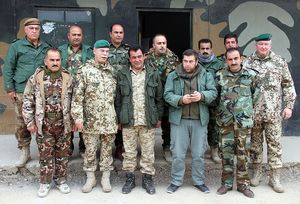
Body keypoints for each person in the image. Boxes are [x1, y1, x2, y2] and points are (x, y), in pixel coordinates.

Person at [243, 33, 296, 193]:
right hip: (255, 113)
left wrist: (289, 106)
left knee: (275, 146)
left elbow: (288, 85)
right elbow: (244, 87)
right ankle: (257, 173)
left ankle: (275, 178)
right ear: (256, 46)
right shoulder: (248, 62)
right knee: (255, 146)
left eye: (266, 44)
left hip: (273, 114)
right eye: (260, 44)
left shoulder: (279, 62)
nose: (263, 47)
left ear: (270, 45)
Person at [164, 49, 217, 194]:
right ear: (182, 61)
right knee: (178, 154)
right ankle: (175, 181)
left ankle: (199, 181)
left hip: (199, 120)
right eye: (185, 61)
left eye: (191, 61)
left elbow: (213, 92)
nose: (187, 64)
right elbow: (167, 95)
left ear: (196, 61)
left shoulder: (205, 75)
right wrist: (180, 99)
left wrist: (202, 96)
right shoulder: (173, 75)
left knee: (199, 154)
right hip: (179, 120)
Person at [22, 48, 73, 198]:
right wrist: (30, 121)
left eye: (58, 60)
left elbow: (76, 100)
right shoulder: (36, 78)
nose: (55, 63)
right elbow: (27, 100)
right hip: (44, 125)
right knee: (45, 156)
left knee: (62, 155)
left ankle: (61, 180)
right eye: (52, 60)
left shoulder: (68, 77)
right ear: (45, 61)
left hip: (63, 125)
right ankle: (44, 183)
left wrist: (75, 119)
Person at [115, 46, 164, 195]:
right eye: (134, 57)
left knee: (148, 153)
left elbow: (159, 99)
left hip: (147, 120)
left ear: (144, 57)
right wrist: (119, 118)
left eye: (139, 56)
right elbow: (118, 99)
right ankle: (129, 179)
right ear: (130, 59)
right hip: (128, 120)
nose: (137, 60)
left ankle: (147, 179)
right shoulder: (122, 74)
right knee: (129, 153)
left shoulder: (153, 74)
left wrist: (159, 118)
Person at [3, 17, 50, 167]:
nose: (34, 31)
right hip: (22, 90)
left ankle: (43, 151)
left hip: (41, 92)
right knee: (22, 123)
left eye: (37, 28)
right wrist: (10, 89)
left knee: (42, 122)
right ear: (26, 30)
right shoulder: (17, 46)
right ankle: (24, 151)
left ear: (40, 30)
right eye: (31, 29)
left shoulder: (46, 47)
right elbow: (8, 68)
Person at [71, 40, 117, 193]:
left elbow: (116, 97)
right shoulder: (84, 70)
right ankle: (90, 178)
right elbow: (77, 97)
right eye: (102, 51)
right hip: (91, 120)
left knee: (107, 150)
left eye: (107, 51)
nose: (105, 54)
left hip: (109, 119)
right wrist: (77, 117)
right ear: (94, 51)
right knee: (90, 150)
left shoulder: (112, 71)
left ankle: (105, 178)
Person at [215, 48, 259, 198]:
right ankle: (226, 184)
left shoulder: (251, 75)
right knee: (226, 154)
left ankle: (243, 185)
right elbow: (215, 98)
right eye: (230, 59)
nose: (233, 62)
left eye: (236, 58)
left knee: (243, 155)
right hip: (225, 122)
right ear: (226, 60)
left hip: (243, 123)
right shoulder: (220, 75)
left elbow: (256, 97)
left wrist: (245, 112)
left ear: (241, 58)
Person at [58, 24, 94, 156]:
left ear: (82, 36)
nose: (76, 37)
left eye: (79, 34)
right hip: (65, 92)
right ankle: (68, 147)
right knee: (66, 119)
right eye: (74, 34)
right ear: (69, 36)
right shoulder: (60, 50)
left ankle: (84, 147)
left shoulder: (89, 51)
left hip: (84, 92)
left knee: (84, 118)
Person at [145, 34, 180, 162]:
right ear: (153, 46)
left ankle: (166, 148)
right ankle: (148, 151)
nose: (162, 45)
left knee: (167, 124)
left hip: (167, 96)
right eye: (159, 43)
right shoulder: (146, 59)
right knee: (148, 124)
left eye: (164, 43)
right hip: (151, 97)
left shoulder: (173, 59)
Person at [197, 38, 225, 163]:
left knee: (214, 127)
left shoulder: (219, 64)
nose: (205, 51)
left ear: (211, 49)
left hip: (215, 102)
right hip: (199, 102)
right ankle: (199, 151)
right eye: (202, 49)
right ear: (199, 49)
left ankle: (214, 150)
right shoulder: (194, 63)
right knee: (199, 127)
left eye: (207, 48)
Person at [108, 23, 130, 160]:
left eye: (121, 32)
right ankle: (106, 147)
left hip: (123, 89)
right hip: (108, 89)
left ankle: (120, 147)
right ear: (110, 34)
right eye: (115, 32)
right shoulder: (104, 48)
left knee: (122, 118)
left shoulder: (128, 50)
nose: (118, 35)